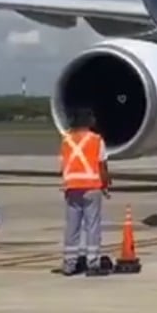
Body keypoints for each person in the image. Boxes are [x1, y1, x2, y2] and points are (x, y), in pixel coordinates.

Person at [60, 107, 112, 276]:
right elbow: (101, 165)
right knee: (92, 226)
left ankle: (69, 263)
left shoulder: (66, 140)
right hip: (91, 187)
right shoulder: (96, 140)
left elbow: (63, 165)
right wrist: (105, 184)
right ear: (89, 121)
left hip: (72, 188)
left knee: (72, 227)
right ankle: (93, 261)